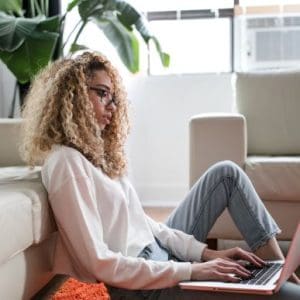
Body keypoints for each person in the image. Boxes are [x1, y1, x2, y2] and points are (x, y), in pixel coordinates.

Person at [20, 52, 300, 300]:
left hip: (161, 259)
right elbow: (99, 262)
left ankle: (276, 273)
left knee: (226, 174)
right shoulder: (66, 163)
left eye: (114, 97)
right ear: (74, 95)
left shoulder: (96, 156)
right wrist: (193, 271)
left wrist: (205, 254)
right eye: (102, 93)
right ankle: (278, 285)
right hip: (144, 288)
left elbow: (146, 225)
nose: (113, 106)